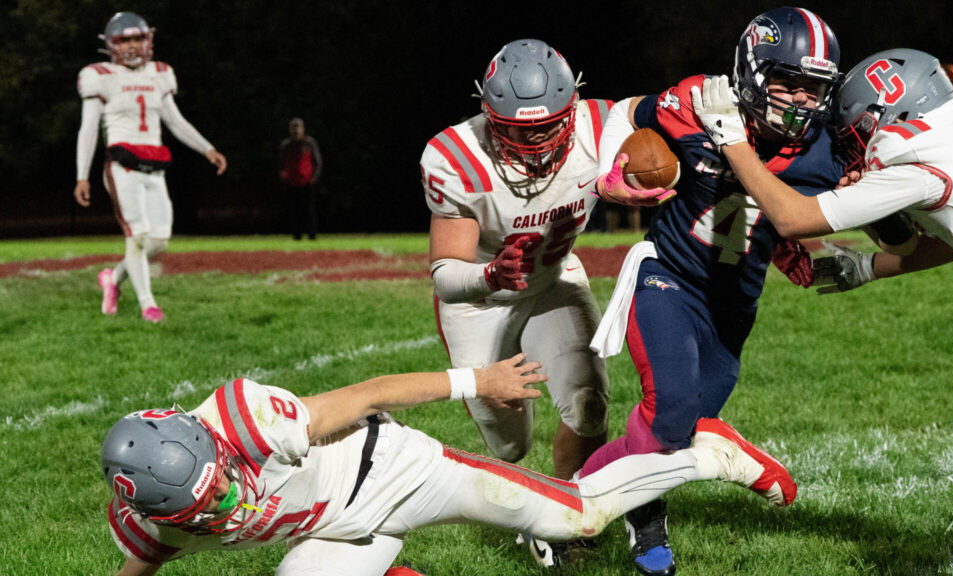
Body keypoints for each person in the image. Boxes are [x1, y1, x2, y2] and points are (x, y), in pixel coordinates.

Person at [582, 8, 862, 575]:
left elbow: (792, 217)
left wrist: (824, 254)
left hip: (734, 304)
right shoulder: (698, 103)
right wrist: (611, 173)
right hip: (669, 276)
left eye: (814, 89)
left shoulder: (825, 150)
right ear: (752, 72)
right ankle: (611, 508)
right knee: (673, 412)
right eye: (787, 83)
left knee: (674, 437)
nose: (800, 101)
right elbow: (623, 112)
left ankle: (598, 502)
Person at [100, 354, 795, 575]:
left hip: (391, 471)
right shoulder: (156, 526)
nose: (226, 499)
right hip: (335, 531)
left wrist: (475, 381)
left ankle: (707, 452)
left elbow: (372, 394)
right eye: (207, 506)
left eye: (220, 479)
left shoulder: (249, 420)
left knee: (578, 520)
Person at [692, 49, 953, 493]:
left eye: (850, 135)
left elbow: (792, 218)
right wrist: (870, 267)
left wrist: (731, 140)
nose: (850, 148)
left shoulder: (906, 154)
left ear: (875, 117)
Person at [419, 39, 614, 565]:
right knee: (510, 446)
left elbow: (668, 113)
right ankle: (530, 498)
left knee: (590, 404)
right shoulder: (456, 156)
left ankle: (557, 521)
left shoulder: (602, 128)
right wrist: (490, 272)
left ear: (573, 107)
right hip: (480, 299)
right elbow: (444, 275)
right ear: (488, 114)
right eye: (518, 131)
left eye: (549, 126)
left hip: (552, 281)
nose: (536, 144)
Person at [74, 12, 227, 323]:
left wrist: (207, 148)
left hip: (154, 165)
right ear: (111, 44)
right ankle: (149, 306)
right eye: (124, 39)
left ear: (148, 40)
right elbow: (88, 129)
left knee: (159, 241)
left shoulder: (159, 73)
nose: (132, 45)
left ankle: (113, 279)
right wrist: (82, 175)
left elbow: (175, 121)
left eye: (137, 38)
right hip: (122, 164)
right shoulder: (99, 75)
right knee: (138, 235)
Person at [279, 118, 322, 240]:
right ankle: (296, 235)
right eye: (293, 127)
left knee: (309, 210)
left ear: (303, 129)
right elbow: (281, 163)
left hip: (307, 182)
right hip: (292, 182)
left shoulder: (309, 143)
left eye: (298, 127)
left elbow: (317, 161)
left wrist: (314, 177)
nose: (296, 130)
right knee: (294, 210)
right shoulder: (286, 145)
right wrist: (284, 176)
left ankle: (312, 234)